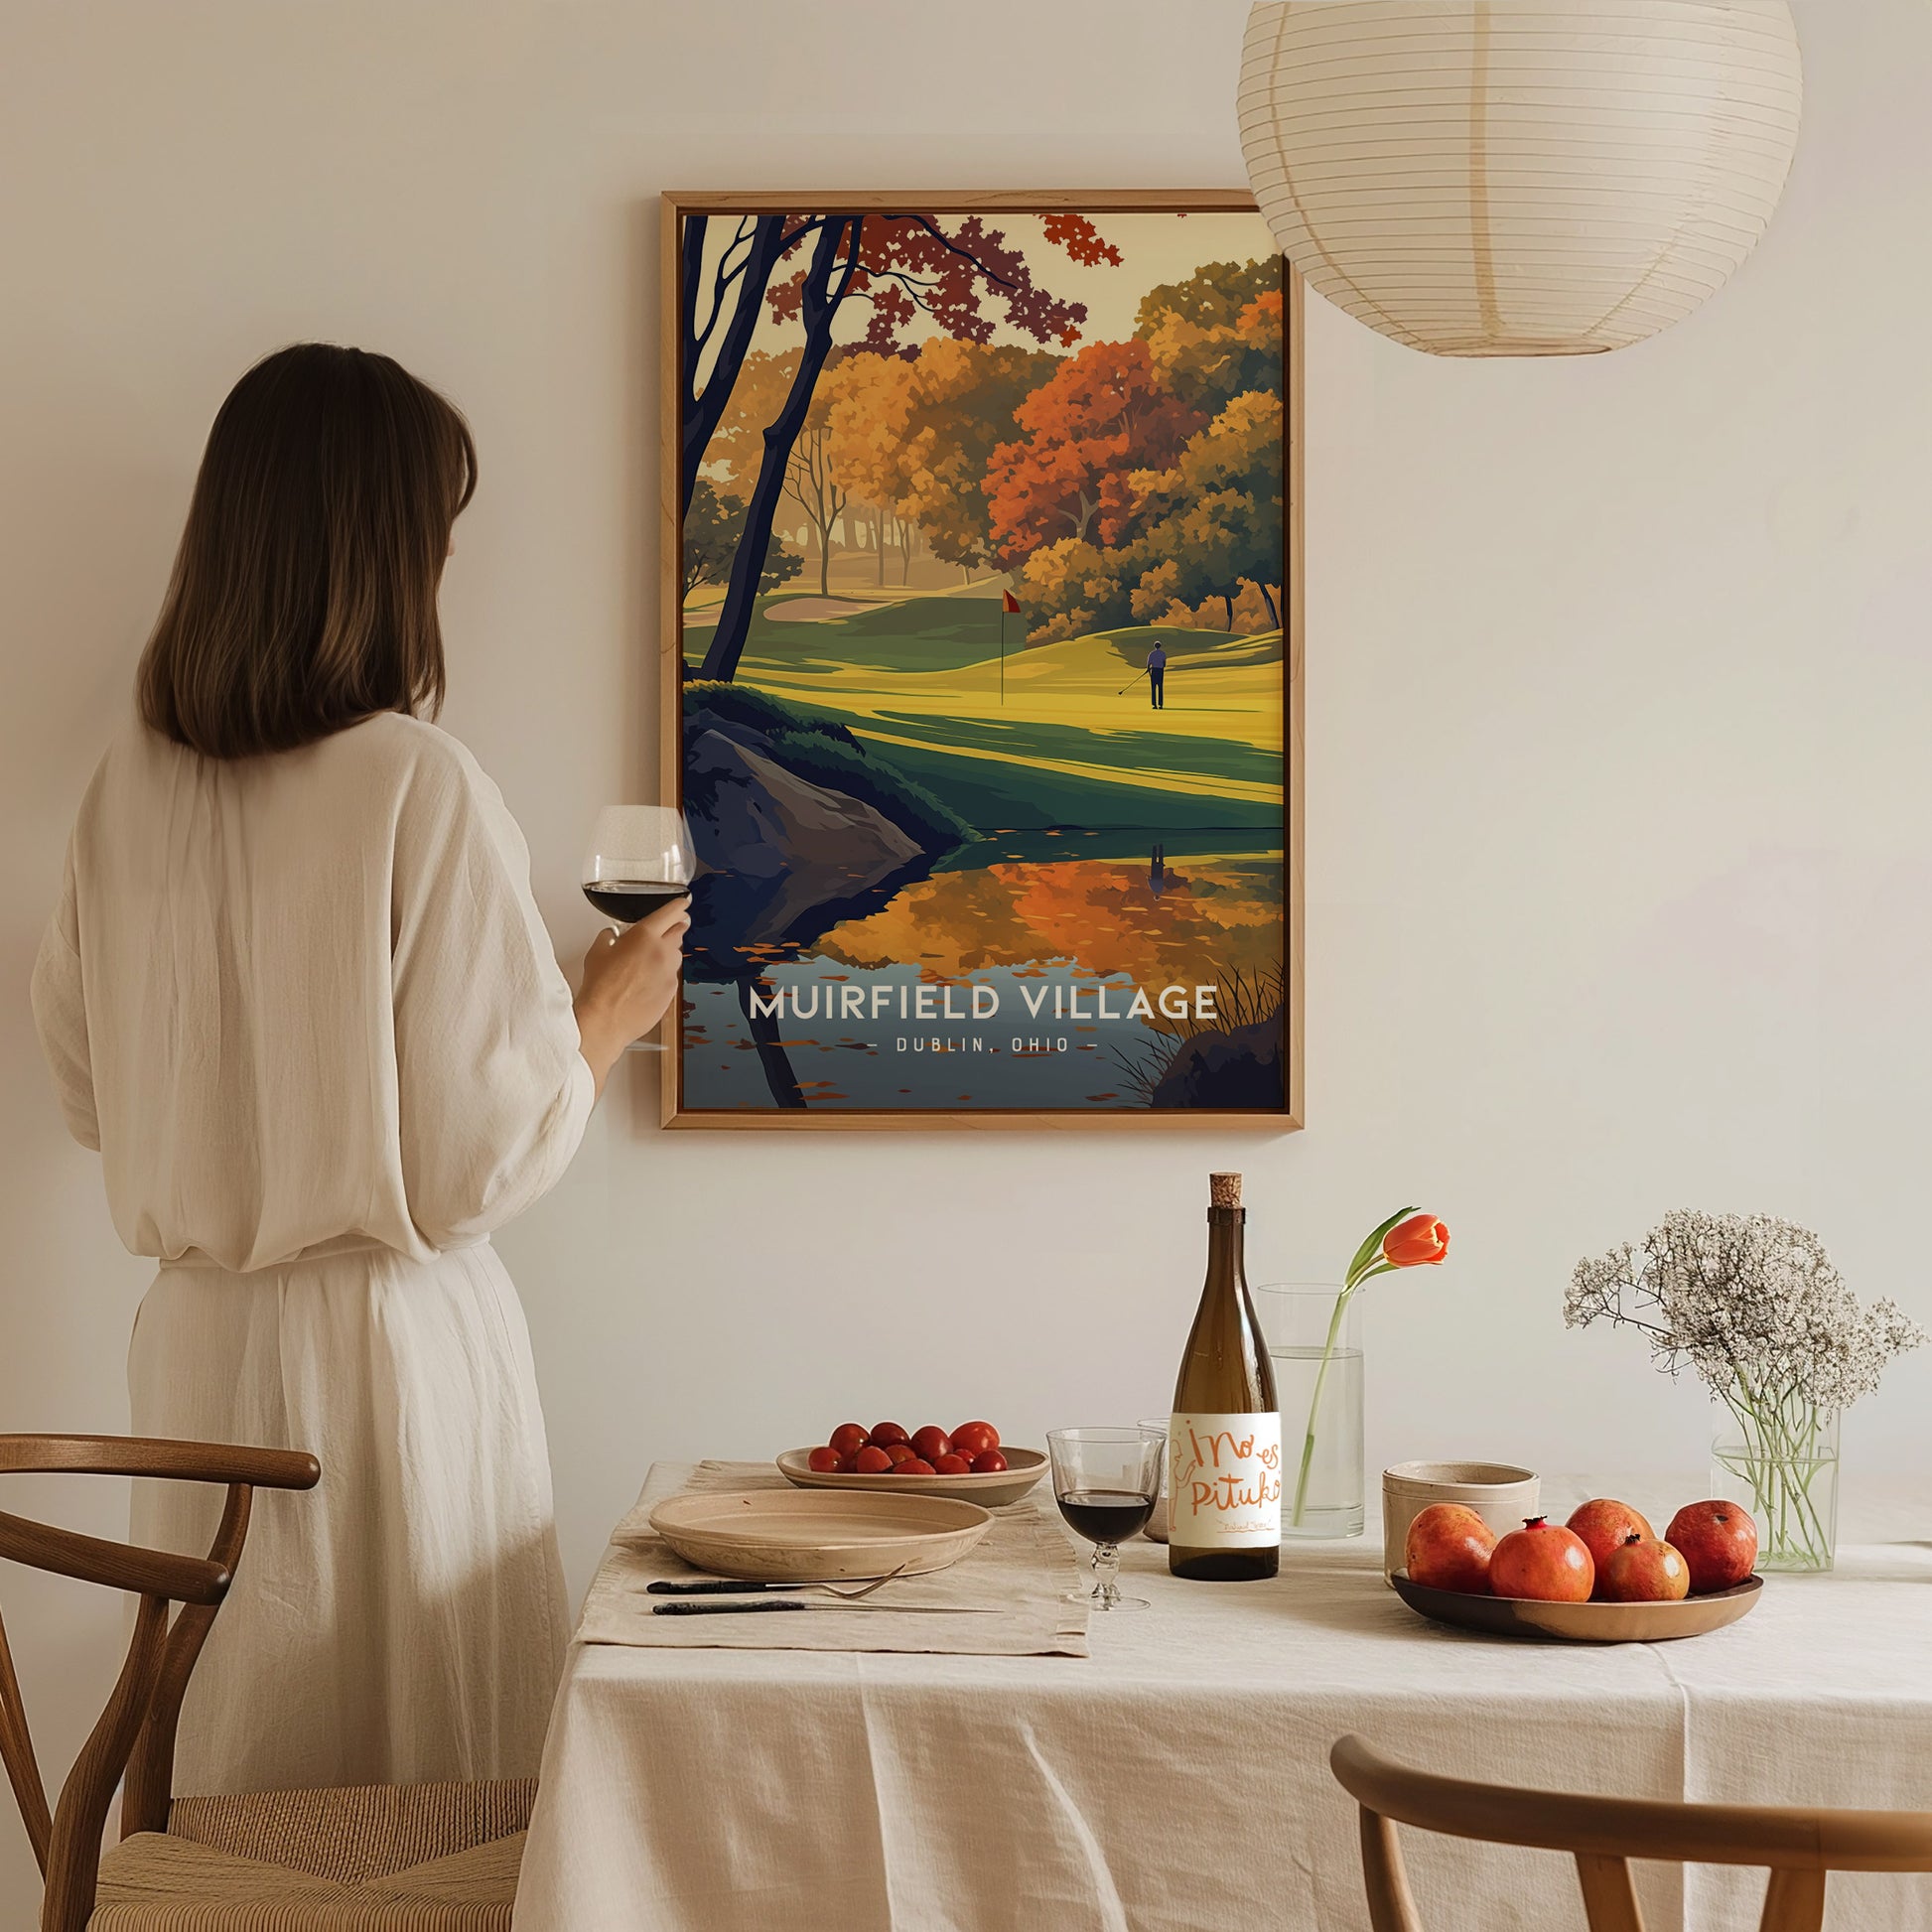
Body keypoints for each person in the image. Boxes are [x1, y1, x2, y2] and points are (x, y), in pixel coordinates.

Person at [30, 344, 685, 1795]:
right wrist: (602, 1014)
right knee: (422, 1794)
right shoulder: (414, 780)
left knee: (240, 1775)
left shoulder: (121, 791)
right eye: (433, 540)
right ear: (383, 552)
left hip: (194, 1350)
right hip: (389, 1360)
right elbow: (471, 1163)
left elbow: (87, 1093)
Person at [1146, 642, 1168, 709]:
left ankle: (1154, 704)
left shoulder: (1151, 653)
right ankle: (1160, 704)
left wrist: (1149, 672)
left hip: (1154, 671)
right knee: (1160, 688)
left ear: (1154, 646)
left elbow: (1148, 664)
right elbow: (1164, 664)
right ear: (1160, 646)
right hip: (1160, 671)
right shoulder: (1163, 653)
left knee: (1153, 688)